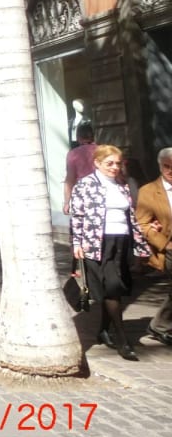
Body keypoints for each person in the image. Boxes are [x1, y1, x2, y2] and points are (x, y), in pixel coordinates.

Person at [70, 144, 150, 360]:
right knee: (113, 287)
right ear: (97, 163)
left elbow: (131, 217)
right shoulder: (85, 185)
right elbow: (77, 217)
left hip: (122, 242)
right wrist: (76, 243)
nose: (114, 167)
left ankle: (103, 330)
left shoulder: (122, 185)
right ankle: (122, 339)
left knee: (113, 289)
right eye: (109, 163)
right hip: (97, 244)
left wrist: (140, 245)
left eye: (117, 163)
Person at [136, 148, 172, 347]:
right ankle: (160, 325)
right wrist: (165, 244)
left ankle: (160, 325)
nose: (171, 170)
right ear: (160, 166)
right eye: (167, 166)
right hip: (167, 249)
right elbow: (141, 224)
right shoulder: (148, 191)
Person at [63, 122, 96, 215]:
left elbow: (70, 179)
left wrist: (66, 202)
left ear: (78, 137)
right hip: (101, 191)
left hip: (82, 194)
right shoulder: (101, 150)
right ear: (93, 135)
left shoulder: (73, 154)